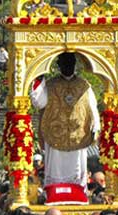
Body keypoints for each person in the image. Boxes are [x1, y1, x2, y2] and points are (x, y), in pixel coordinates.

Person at [30, 53, 100, 204]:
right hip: (55, 133)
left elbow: (92, 106)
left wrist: (96, 126)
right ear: (59, 65)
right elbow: (38, 102)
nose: (68, 66)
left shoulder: (84, 85)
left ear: (75, 65)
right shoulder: (50, 84)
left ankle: (78, 197)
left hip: (78, 135)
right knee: (55, 167)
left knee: (78, 168)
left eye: (70, 63)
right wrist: (39, 77)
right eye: (64, 63)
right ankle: (54, 196)